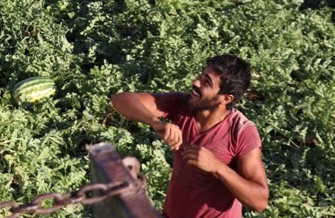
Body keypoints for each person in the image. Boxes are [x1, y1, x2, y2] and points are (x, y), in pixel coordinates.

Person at [111, 54, 269, 218]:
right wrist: (155, 123)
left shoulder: (241, 132)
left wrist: (217, 167)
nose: (195, 82)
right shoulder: (183, 105)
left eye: (206, 82)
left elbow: (259, 202)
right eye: (201, 74)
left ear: (226, 98)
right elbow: (121, 100)